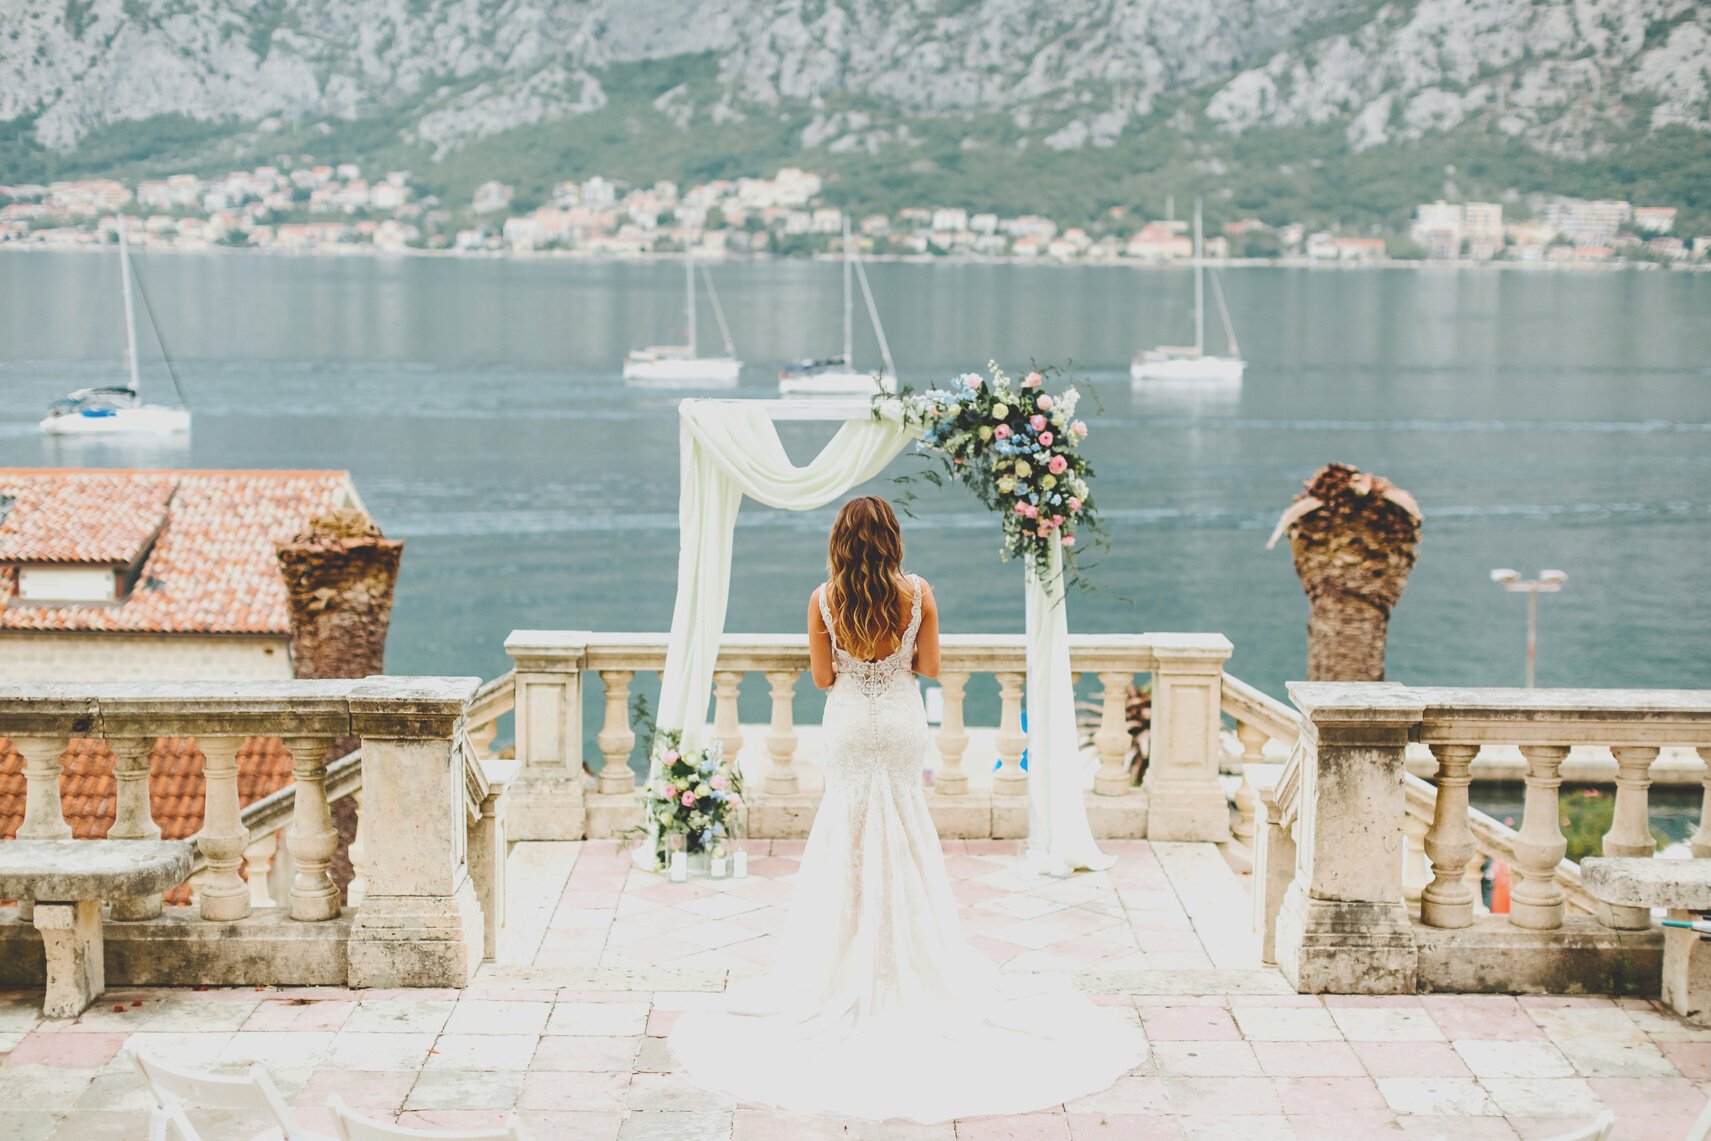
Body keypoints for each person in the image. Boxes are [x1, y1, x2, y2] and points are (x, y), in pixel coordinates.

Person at [669, 495, 1148, 1123]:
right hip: (899, 722)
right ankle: (908, 956)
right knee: (905, 833)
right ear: (892, 539)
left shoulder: (823, 600)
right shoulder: (917, 592)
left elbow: (820, 680)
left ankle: (844, 957)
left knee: (848, 836)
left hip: (846, 727)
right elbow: (929, 666)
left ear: (840, 541)